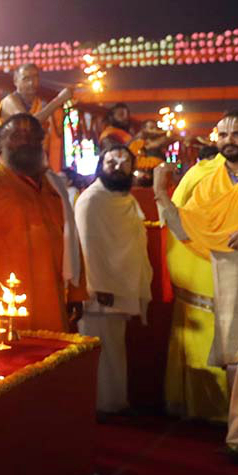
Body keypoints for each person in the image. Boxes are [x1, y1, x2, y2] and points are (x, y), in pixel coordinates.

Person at [154, 111, 238, 459]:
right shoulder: (207, 179)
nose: (229, 140)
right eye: (223, 134)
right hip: (233, 283)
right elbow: (187, 228)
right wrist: (159, 194)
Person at [0, 113, 86, 332]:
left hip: (55, 297)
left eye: (32, 136)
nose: (25, 142)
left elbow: (71, 239)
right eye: (16, 135)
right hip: (11, 305)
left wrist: (76, 293)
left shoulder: (53, 185)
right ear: (0, 145)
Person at [74, 145, 152, 414]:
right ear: (100, 166)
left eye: (124, 162)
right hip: (98, 290)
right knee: (100, 351)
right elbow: (85, 246)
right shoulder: (90, 200)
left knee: (115, 349)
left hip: (122, 284)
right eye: (111, 162)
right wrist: (98, 286)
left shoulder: (126, 198)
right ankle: (101, 405)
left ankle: (115, 402)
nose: (118, 167)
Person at [0, 63, 74, 127]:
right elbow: (29, 122)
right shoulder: (10, 101)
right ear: (15, 81)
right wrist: (59, 99)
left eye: (35, 77)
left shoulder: (38, 103)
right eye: (26, 79)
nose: (31, 83)